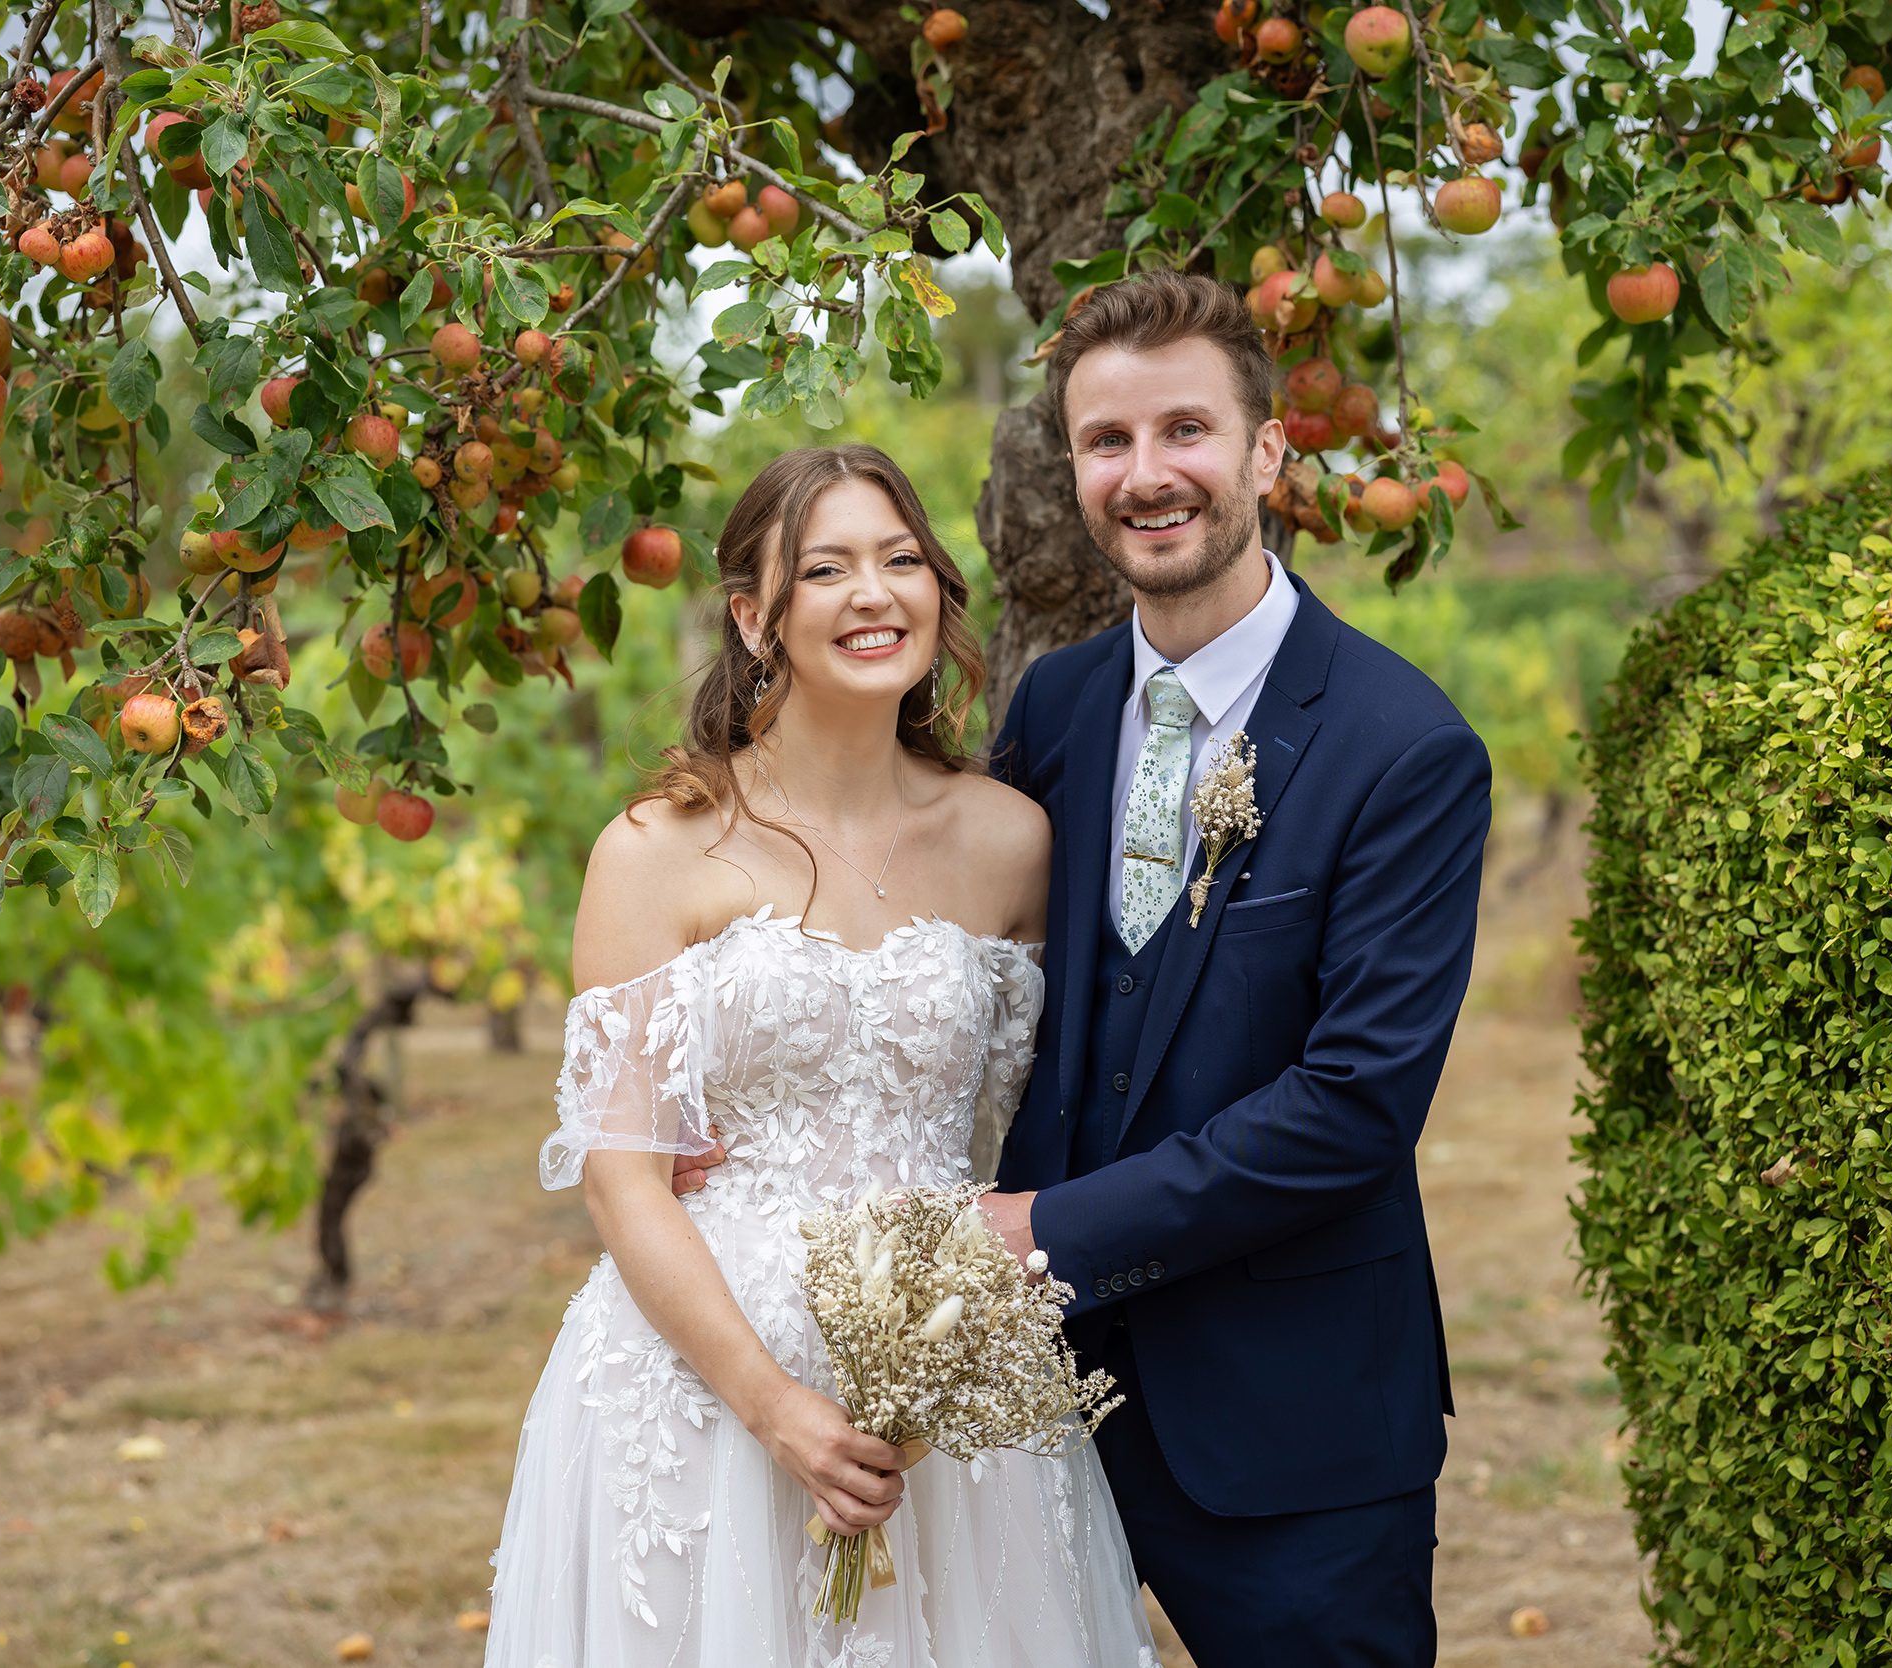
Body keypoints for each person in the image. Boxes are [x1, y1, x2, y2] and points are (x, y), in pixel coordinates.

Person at [480, 443, 1158, 1667]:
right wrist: (775, 1407)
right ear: (755, 615)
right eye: (828, 568)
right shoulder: (656, 849)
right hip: (702, 1387)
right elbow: (621, 1176)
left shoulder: (1012, 841)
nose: (873, 594)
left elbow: (1028, 1118)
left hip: (943, 1377)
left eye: (902, 561)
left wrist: (943, 1339)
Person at [976, 271, 1491, 1665]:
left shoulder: (1404, 747)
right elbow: (995, 988)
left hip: (1293, 1426)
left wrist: (1046, 1236)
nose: (1147, 476)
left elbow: (1353, 1108)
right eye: (1107, 442)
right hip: (1033, 1413)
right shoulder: (1057, 706)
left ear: (1268, 450)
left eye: (1186, 431)